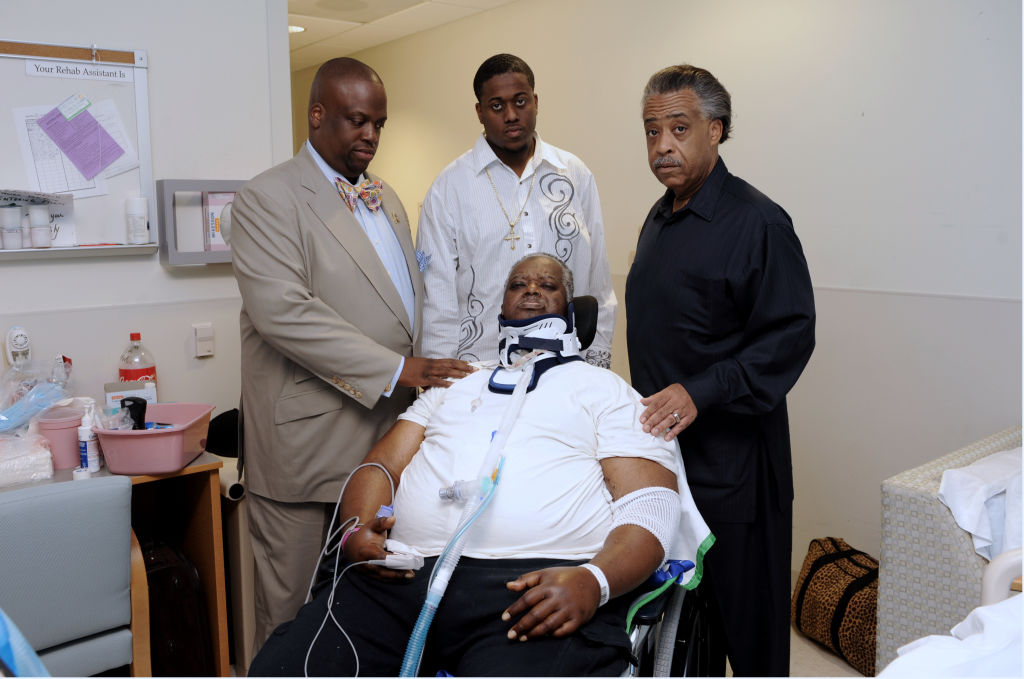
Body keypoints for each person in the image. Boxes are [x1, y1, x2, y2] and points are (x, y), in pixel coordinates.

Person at [248, 254, 713, 677]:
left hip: (535, 589)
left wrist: (593, 582)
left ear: (570, 312)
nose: (531, 289)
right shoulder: (457, 384)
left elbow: (649, 504)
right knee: (284, 668)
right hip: (401, 576)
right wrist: (357, 531)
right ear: (502, 310)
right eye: (518, 284)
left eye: (547, 284)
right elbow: (381, 467)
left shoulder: (605, 389)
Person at [230, 57, 474, 651]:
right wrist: (400, 369)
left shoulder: (384, 196)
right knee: (291, 620)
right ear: (317, 116)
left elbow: (402, 304)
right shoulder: (268, 197)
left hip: (384, 444)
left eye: (379, 124)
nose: (371, 135)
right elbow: (283, 312)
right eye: (357, 120)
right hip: (305, 451)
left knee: (364, 612)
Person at [626, 65, 816, 677]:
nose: (662, 146)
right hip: (666, 462)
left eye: (678, 129)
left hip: (735, 473)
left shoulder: (759, 223)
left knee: (750, 635)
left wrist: (700, 392)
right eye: (652, 131)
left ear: (716, 130)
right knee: (685, 630)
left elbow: (789, 336)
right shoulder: (657, 219)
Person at [416, 53, 616, 368]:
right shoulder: (449, 188)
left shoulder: (573, 174)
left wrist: (596, 365)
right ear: (480, 112)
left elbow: (598, 282)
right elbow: (436, 300)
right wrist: (438, 381)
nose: (511, 115)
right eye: (497, 106)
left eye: (520, 102)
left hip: (566, 366)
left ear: (535, 102)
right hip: (480, 370)